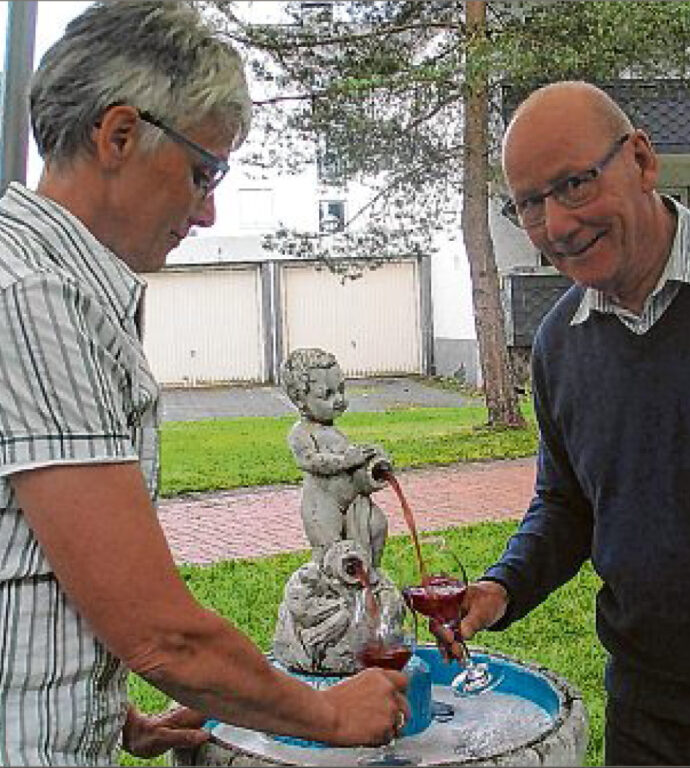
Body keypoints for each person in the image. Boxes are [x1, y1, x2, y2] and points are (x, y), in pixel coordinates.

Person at [0, 3, 407, 765]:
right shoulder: (33, 296)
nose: (209, 208)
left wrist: (114, 716)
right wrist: (328, 714)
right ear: (119, 135)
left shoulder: (44, 283)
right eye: (202, 171)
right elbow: (160, 633)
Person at [453, 80, 690, 765]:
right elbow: (567, 505)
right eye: (530, 204)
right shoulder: (559, 344)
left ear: (644, 161)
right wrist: (502, 587)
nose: (558, 225)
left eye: (573, 184)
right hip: (647, 715)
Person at [281, 348, 390, 571]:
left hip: (353, 502)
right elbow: (309, 461)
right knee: (332, 553)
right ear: (300, 400)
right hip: (322, 505)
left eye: (341, 390)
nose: (339, 399)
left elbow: (354, 473)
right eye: (327, 394)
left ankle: (372, 576)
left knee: (377, 525)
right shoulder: (301, 433)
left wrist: (372, 466)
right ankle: (327, 592)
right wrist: (344, 461)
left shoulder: (335, 433)